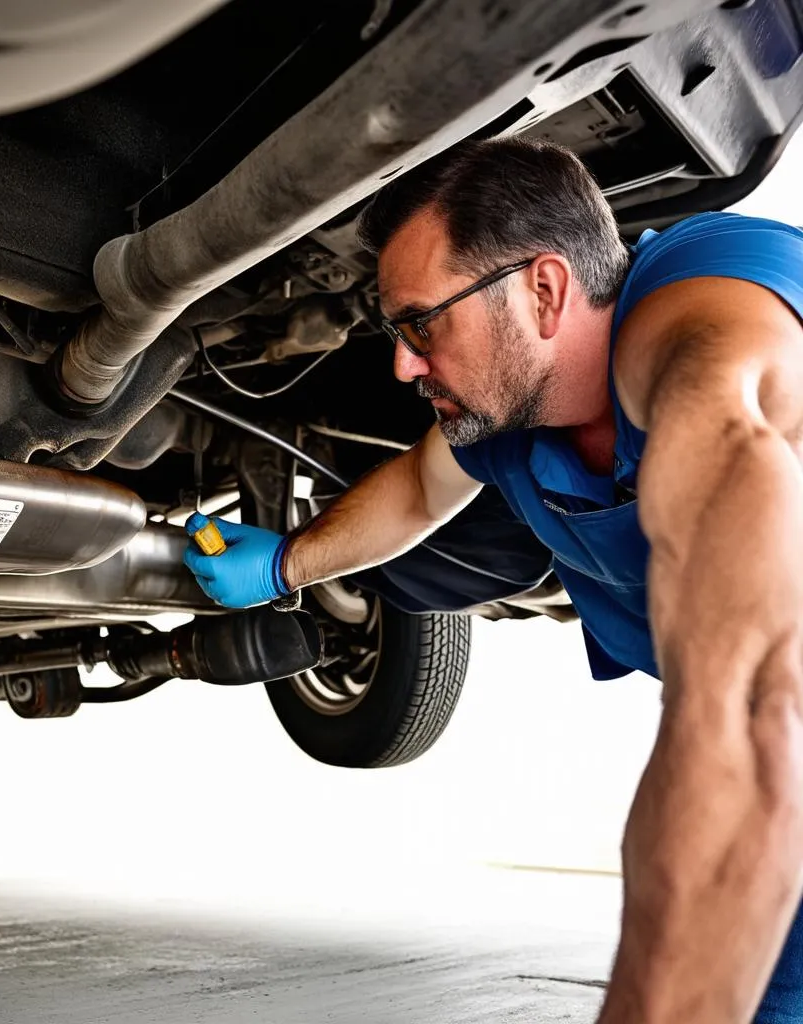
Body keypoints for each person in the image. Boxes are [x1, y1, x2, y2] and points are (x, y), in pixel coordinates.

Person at [183, 135, 803, 1022]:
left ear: (545, 290)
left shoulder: (704, 337)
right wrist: (283, 563)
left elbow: (751, 714)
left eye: (422, 324)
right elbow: (417, 489)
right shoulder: (517, 403)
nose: (401, 362)